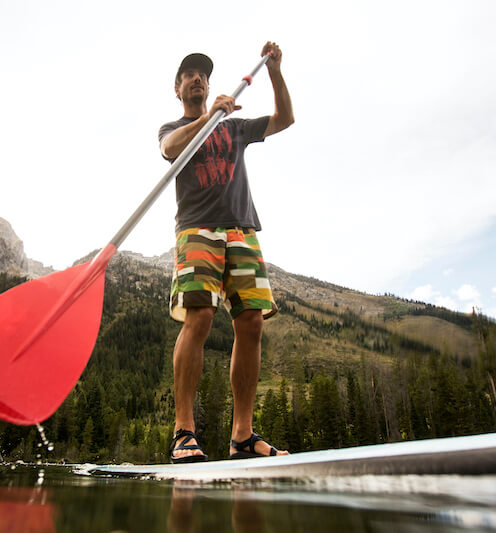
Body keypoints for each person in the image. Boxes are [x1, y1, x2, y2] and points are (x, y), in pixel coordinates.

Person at [158, 42, 294, 463]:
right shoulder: (172, 127)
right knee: (199, 316)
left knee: (251, 321)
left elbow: (284, 119)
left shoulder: (234, 127)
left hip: (242, 229)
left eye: (203, 74)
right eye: (189, 74)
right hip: (197, 229)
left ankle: (242, 435)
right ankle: (184, 433)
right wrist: (205, 117)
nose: (197, 78)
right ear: (177, 87)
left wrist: (274, 71)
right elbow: (169, 150)